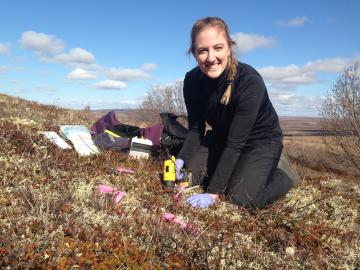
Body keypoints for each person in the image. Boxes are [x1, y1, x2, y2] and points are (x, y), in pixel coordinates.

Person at [175, 17, 300, 209]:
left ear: (229, 48)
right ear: (194, 52)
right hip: (223, 137)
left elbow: (235, 144)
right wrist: (181, 158)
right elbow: (195, 128)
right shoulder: (191, 81)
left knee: (241, 198)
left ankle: (285, 173)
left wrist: (213, 192)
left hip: (260, 141)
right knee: (188, 177)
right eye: (203, 50)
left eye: (218, 48)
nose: (210, 57)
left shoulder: (249, 81)